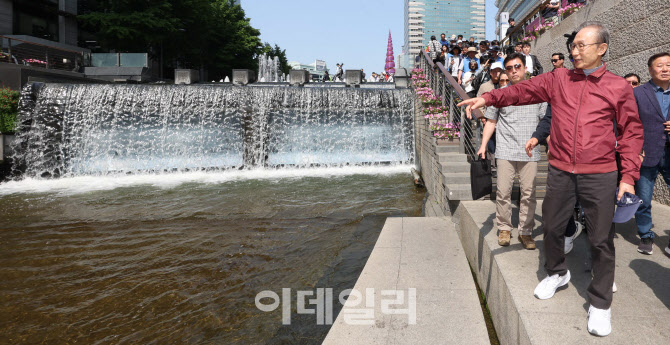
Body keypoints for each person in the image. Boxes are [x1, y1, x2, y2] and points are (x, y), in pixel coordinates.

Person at [459, 21, 644, 337]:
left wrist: (628, 176)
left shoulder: (618, 87)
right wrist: (488, 99)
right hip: (560, 170)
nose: (575, 51)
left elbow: (631, 132)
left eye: (582, 46)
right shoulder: (559, 78)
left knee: (600, 239)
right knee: (554, 229)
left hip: (600, 173)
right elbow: (522, 90)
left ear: (602, 49)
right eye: (573, 46)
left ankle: (600, 303)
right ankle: (557, 273)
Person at [477, 53, 547, 250]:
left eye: (517, 66)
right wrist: (483, 146)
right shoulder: (500, 94)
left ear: (525, 68)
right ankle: (504, 228)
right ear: (505, 71)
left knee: (528, 193)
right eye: (509, 68)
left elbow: (545, 121)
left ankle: (525, 231)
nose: (514, 70)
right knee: (503, 192)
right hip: (506, 150)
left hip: (530, 151)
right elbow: (491, 122)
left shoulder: (538, 93)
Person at [633, 52, 670, 256]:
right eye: (660, 65)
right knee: (644, 199)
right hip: (647, 153)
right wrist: (636, 150)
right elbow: (630, 124)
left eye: (668, 65)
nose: (665, 69)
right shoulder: (638, 93)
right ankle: (646, 235)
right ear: (650, 69)